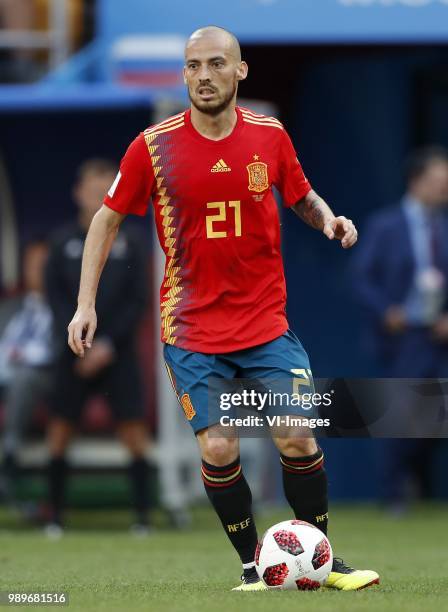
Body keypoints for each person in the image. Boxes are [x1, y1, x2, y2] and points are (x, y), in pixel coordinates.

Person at [67, 27, 379, 590]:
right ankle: (252, 562)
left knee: (297, 436)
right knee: (218, 444)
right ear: (183, 73)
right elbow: (105, 220)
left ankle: (323, 562)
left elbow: (300, 195)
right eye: (192, 65)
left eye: (215, 64)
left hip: (264, 324)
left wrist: (328, 217)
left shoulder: (269, 136)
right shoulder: (153, 147)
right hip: (192, 328)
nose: (203, 75)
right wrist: (84, 304)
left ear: (240, 71)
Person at [45, 159, 151, 536]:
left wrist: (106, 343)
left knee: (133, 432)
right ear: (78, 193)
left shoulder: (134, 244)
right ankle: (54, 517)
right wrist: (79, 342)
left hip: (117, 353)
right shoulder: (61, 243)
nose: (98, 197)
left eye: (105, 190)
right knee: (59, 430)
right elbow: (54, 299)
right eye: (92, 190)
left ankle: (142, 517)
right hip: (73, 352)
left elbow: (138, 301)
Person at [352, 147, 448, 511]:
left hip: (442, 336)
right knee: (400, 414)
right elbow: (362, 277)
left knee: (444, 413)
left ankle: (415, 475)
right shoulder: (386, 225)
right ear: (417, 181)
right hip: (402, 337)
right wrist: (387, 311)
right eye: (440, 182)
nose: (447, 190)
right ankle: (394, 495)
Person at [0, 239, 54, 501]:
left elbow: (57, 350)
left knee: (24, 377)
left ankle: (10, 453)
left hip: (40, 375)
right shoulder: (11, 306)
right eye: (31, 264)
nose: (36, 270)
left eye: (42, 264)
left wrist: (22, 356)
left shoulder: (67, 307)